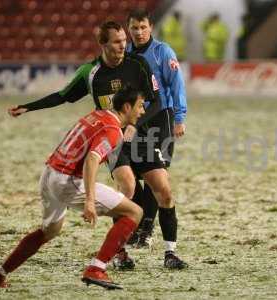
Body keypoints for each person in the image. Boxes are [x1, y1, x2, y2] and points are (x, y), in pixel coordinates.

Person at [8, 20, 187, 270]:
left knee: (164, 190)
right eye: (117, 42)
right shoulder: (90, 73)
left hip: (143, 136)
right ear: (102, 44)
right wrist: (29, 106)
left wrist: (137, 125)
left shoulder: (138, 64)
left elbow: (156, 101)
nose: (123, 46)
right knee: (127, 186)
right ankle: (119, 252)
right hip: (112, 140)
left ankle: (170, 253)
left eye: (124, 41)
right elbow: (63, 96)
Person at [0, 85, 146, 290]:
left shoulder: (98, 114)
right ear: (127, 107)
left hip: (49, 173)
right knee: (135, 212)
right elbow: (92, 160)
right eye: (140, 106)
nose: (143, 111)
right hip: (66, 181)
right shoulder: (113, 131)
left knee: (49, 231)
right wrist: (90, 202)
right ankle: (97, 268)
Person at [111, 9, 188, 270]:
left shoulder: (162, 52)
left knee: (158, 174)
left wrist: (179, 117)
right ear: (128, 29)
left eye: (143, 27)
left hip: (161, 118)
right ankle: (142, 225)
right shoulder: (128, 55)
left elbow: (176, 84)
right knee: (137, 176)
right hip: (135, 120)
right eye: (134, 28)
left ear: (150, 27)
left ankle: (146, 230)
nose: (139, 32)